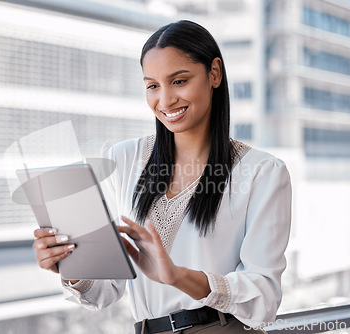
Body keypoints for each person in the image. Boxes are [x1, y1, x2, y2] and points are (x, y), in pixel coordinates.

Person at [33, 20, 292, 333]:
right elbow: (107, 290)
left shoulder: (261, 172)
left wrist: (177, 276)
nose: (165, 100)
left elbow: (263, 296)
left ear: (214, 73)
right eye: (153, 86)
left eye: (179, 81)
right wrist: (70, 266)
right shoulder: (122, 159)